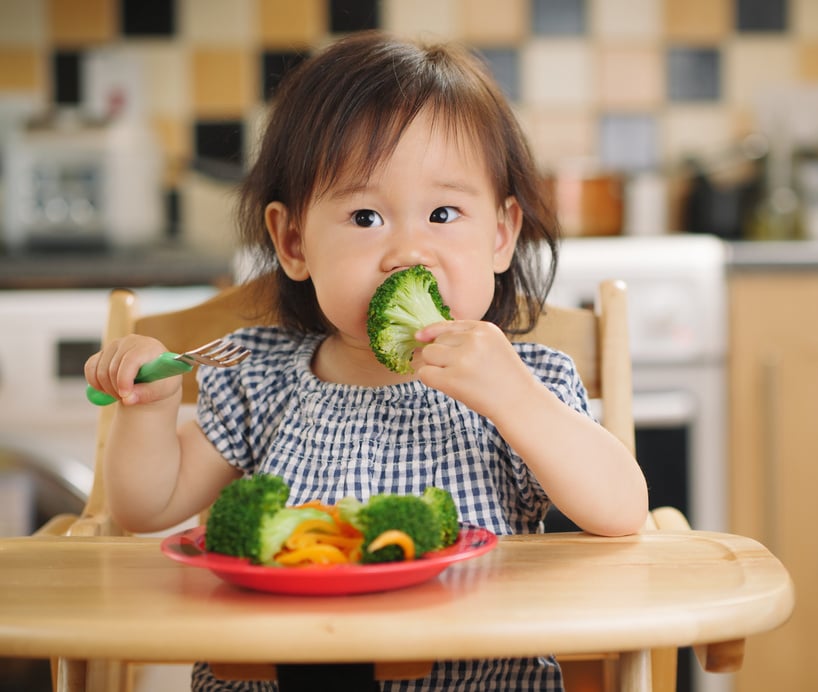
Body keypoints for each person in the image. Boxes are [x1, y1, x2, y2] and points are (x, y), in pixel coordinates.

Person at [84, 31, 648, 692]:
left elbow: (621, 510)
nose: (408, 253)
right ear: (293, 242)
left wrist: (515, 399)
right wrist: (148, 411)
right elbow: (148, 507)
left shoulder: (529, 383)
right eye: (364, 216)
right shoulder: (260, 377)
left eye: (443, 213)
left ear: (500, 235)